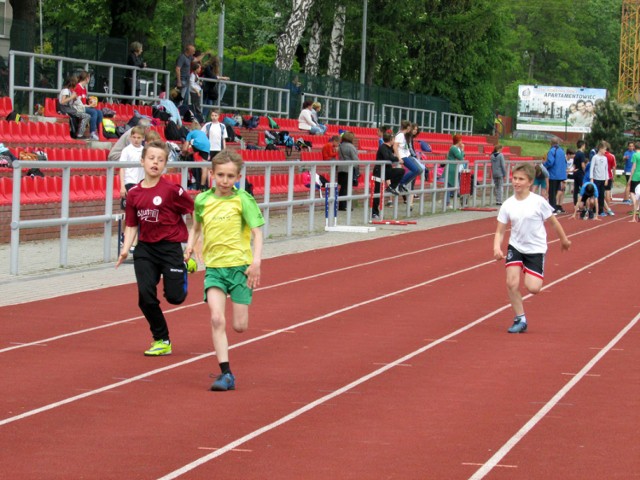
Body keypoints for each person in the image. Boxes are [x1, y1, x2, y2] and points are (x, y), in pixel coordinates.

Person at [185, 150, 264, 391]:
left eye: (230, 176)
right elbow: (196, 227)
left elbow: (257, 232)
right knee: (217, 318)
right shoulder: (202, 201)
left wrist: (256, 262)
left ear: (238, 177)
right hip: (215, 268)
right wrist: (190, 246)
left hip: (240, 267)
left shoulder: (243, 200)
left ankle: (227, 368)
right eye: (220, 175)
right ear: (211, 174)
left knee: (239, 326)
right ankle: (226, 373)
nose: (225, 180)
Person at [115, 140, 195, 356]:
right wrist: (125, 248)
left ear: (165, 165)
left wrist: (193, 244)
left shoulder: (172, 190)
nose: (155, 163)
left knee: (175, 298)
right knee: (145, 296)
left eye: (160, 160)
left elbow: (194, 210)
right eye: (151, 158)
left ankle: (184, 268)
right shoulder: (134, 194)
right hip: (146, 251)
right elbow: (131, 224)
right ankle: (161, 339)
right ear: (142, 161)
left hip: (170, 248)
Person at [493, 162, 571, 334]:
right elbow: (500, 231)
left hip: (536, 248)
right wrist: (497, 248)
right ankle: (520, 318)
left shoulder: (539, 202)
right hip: (516, 247)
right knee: (511, 283)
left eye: (521, 179)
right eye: (514, 178)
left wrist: (564, 240)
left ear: (530, 182)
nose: (517, 182)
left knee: (533, 288)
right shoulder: (508, 204)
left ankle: (531, 271)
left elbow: (554, 222)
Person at [372, 131, 404, 218]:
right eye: (393, 139)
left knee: (401, 171)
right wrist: (397, 158)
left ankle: (391, 187)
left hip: (387, 170)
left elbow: (399, 151)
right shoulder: (383, 147)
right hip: (379, 171)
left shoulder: (391, 147)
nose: (394, 140)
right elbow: (388, 157)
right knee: (377, 191)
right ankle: (374, 212)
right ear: (390, 140)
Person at [74, 71, 103, 141]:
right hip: (78, 108)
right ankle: (92, 133)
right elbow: (76, 101)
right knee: (94, 112)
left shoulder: (84, 88)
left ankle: (100, 132)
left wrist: (89, 101)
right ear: (87, 78)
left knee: (99, 112)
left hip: (84, 107)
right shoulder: (78, 87)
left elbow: (84, 99)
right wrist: (86, 105)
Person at [183, 122, 211, 190]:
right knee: (204, 168)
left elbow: (185, 147)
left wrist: (184, 152)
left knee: (189, 148)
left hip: (198, 144)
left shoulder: (191, 133)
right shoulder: (202, 133)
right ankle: (203, 186)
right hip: (207, 146)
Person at [336, 131, 359, 211]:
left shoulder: (340, 146)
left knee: (343, 187)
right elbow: (355, 159)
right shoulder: (351, 147)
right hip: (348, 169)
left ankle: (342, 205)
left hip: (341, 168)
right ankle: (344, 205)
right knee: (346, 187)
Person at [543, 140, 567, 213]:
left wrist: (544, 165)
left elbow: (550, 162)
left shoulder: (552, 151)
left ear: (551, 143)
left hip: (553, 174)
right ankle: (555, 206)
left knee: (552, 192)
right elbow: (565, 162)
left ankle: (552, 207)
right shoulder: (562, 151)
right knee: (556, 190)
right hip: (560, 174)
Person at [589, 141, 610, 217]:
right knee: (595, 195)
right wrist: (591, 178)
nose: (605, 151)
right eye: (604, 149)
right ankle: (594, 209)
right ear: (600, 149)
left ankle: (601, 210)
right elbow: (592, 168)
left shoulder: (605, 158)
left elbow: (606, 169)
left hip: (603, 179)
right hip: (596, 179)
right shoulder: (595, 157)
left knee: (601, 195)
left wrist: (606, 179)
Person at [446, 133, 465, 206]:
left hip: (456, 168)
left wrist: (462, 153)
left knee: (452, 185)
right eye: (461, 140)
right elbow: (460, 157)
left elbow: (462, 157)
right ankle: (447, 202)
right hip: (452, 168)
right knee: (449, 185)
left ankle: (450, 202)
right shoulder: (453, 148)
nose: (462, 142)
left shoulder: (456, 148)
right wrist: (463, 149)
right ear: (458, 141)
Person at [627, 142, 640, 222]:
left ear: (635, 147)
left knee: (632, 192)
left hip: (635, 176)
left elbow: (634, 167)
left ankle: (636, 206)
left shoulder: (635, 155)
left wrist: (630, 178)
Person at [572, 140, 587, 206]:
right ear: (582, 145)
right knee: (584, 187)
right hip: (580, 172)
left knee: (576, 189)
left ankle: (575, 204)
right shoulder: (582, 154)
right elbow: (583, 165)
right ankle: (583, 203)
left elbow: (574, 165)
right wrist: (585, 171)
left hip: (576, 172)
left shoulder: (576, 154)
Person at [603, 142, 616, 215]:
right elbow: (614, 167)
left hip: (602, 176)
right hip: (609, 175)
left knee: (602, 192)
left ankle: (603, 207)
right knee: (608, 191)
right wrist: (614, 176)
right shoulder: (612, 156)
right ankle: (608, 207)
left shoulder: (602, 155)